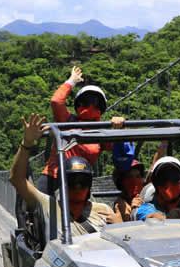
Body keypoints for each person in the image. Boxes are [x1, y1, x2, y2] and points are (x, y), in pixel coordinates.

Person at [11, 113, 114, 237]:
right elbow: (17, 179)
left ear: (89, 185)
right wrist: (27, 143)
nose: (77, 187)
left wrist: (121, 225)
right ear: (62, 183)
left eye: (83, 182)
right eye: (72, 181)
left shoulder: (103, 211)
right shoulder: (49, 206)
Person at [36, 66, 125, 194]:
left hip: (80, 182)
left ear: (101, 106)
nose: (90, 105)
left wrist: (120, 128)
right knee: (34, 205)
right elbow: (56, 101)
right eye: (86, 101)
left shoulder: (101, 132)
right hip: (54, 175)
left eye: (95, 102)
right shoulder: (67, 121)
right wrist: (72, 81)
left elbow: (120, 151)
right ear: (79, 104)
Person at [109, 141, 167, 223]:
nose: (134, 181)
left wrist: (164, 141)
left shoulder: (145, 190)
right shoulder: (121, 203)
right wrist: (134, 210)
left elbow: (155, 164)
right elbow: (127, 226)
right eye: (129, 177)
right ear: (121, 181)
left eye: (138, 176)